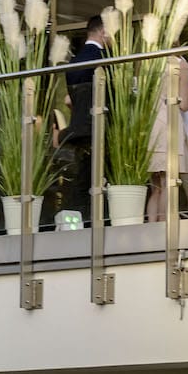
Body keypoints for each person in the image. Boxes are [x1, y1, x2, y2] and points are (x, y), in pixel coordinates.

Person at [51, 15, 108, 222]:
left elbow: (74, 100)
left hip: (80, 131)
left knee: (83, 181)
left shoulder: (74, 62)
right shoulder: (106, 59)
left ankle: (80, 222)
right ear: (103, 31)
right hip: (102, 130)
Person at [146, 54, 188, 221]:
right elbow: (183, 104)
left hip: (151, 125)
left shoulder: (151, 60)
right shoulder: (180, 63)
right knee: (169, 182)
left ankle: (151, 227)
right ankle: (163, 228)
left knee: (156, 187)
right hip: (170, 124)